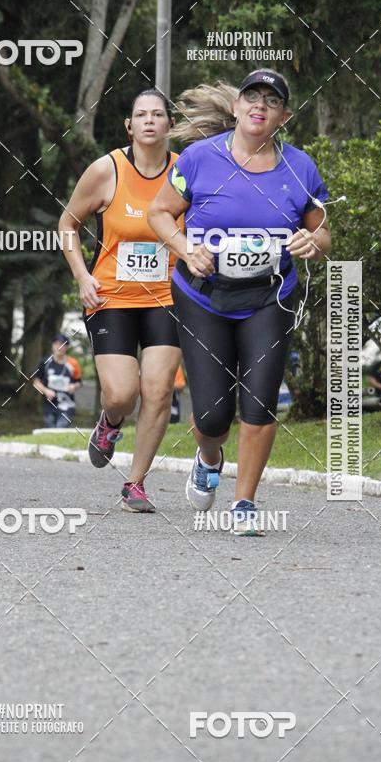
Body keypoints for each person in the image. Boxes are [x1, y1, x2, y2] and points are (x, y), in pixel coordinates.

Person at [148, 69, 331, 535]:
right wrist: (185, 248)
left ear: (283, 116)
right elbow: (160, 213)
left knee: (260, 401)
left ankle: (244, 503)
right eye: (252, 96)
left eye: (272, 100)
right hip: (203, 296)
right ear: (236, 107)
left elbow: (322, 231)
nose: (260, 105)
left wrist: (314, 243)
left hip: (270, 298)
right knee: (212, 416)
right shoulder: (198, 159)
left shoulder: (300, 167)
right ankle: (209, 458)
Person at [59, 89, 183, 512]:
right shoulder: (106, 169)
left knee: (159, 390)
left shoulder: (186, 172)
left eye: (157, 114)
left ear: (169, 124)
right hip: (111, 296)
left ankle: (136, 483)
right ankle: (110, 422)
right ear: (129, 126)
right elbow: (67, 224)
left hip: (167, 297)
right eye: (140, 115)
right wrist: (82, 276)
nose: (149, 121)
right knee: (121, 395)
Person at [32, 333, 82, 427]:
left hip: (67, 404)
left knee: (61, 427)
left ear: (67, 347)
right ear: (52, 346)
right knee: (50, 429)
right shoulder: (45, 362)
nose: (58, 347)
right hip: (49, 404)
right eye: (56, 344)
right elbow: (36, 382)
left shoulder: (73, 363)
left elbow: (79, 382)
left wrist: (74, 386)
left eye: (62, 344)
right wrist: (46, 391)